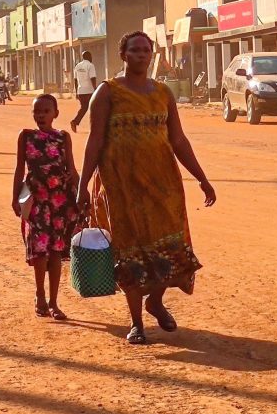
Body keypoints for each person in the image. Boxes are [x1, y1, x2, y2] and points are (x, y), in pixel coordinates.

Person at [78, 31, 216, 346]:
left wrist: (201, 177)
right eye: (135, 50)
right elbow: (94, 141)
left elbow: (178, 139)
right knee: (131, 249)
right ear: (123, 54)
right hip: (121, 185)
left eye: (146, 50)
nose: (142, 55)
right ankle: (136, 322)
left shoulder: (163, 92)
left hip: (163, 182)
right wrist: (82, 185)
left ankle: (155, 301)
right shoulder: (107, 92)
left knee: (169, 244)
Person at [11, 94, 80, 321]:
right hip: (37, 200)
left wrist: (81, 193)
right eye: (37, 111)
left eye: (45, 111)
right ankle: (40, 295)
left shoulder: (63, 137)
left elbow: (71, 168)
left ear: (55, 114)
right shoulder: (26, 136)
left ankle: (54, 302)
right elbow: (19, 168)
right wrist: (14, 197)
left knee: (56, 251)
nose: (40, 115)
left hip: (59, 201)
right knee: (40, 250)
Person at [70, 50, 97, 133]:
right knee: (94, 108)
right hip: (89, 91)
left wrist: (76, 92)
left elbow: (75, 80)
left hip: (80, 91)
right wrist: (95, 89)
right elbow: (93, 78)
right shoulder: (90, 65)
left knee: (84, 108)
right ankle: (95, 126)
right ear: (88, 57)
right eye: (91, 56)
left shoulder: (77, 66)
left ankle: (75, 121)